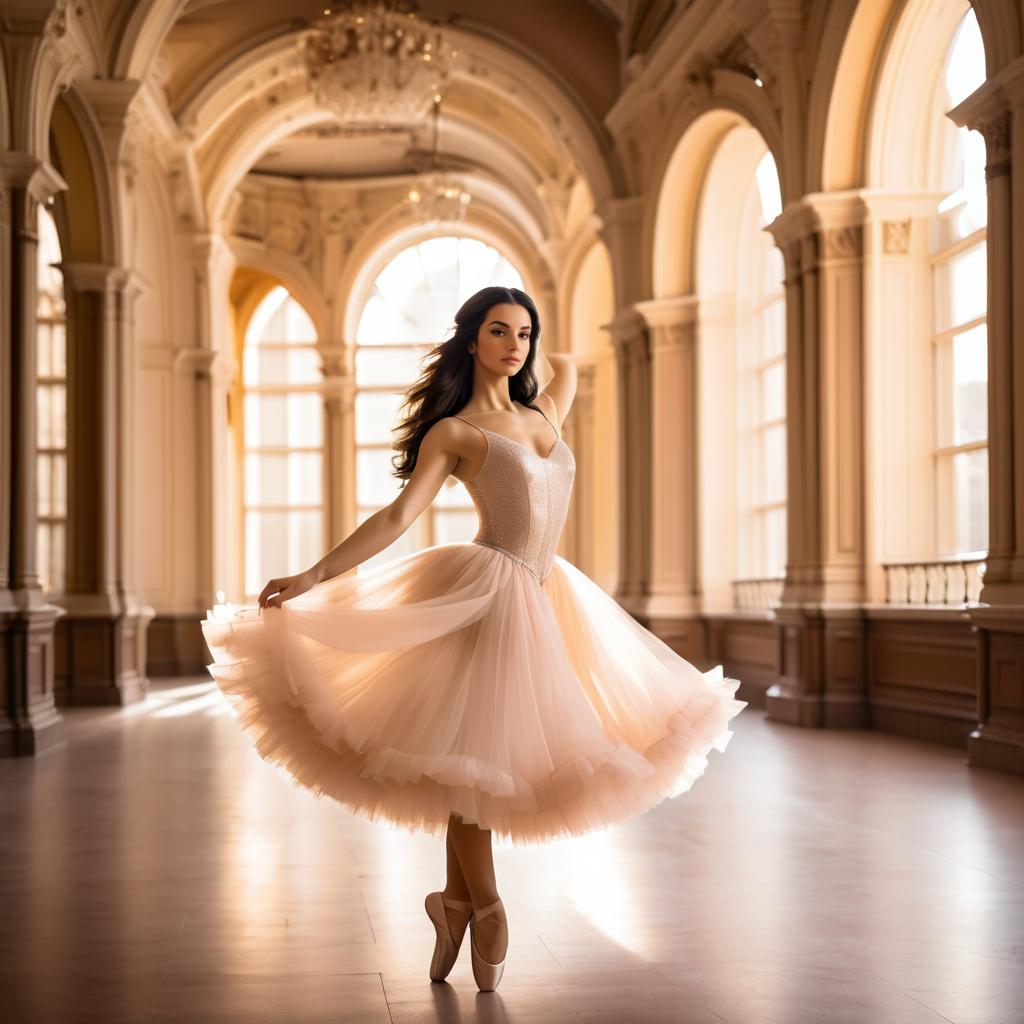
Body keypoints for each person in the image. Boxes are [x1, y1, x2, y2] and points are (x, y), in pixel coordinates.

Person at [201, 285, 747, 993]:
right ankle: (486, 906)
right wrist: (311, 574)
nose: (515, 344)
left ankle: (455, 903)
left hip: (551, 598)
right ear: (471, 341)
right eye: (498, 331)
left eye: (524, 332)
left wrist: (534, 339)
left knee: (478, 769)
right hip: (488, 595)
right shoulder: (455, 433)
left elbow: (572, 367)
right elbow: (398, 517)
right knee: (472, 770)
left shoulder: (545, 410)